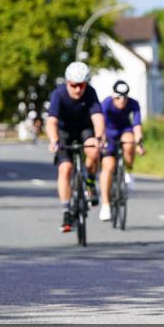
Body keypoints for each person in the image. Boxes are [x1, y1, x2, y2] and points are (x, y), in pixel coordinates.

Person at [46, 61, 106, 232]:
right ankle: (66, 211)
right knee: (65, 169)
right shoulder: (59, 94)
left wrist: (99, 137)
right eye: (74, 85)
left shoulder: (90, 93)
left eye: (82, 85)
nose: (78, 89)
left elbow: (98, 117)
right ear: (67, 83)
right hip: (64, 132)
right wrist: (53, 139)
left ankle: (89, 182)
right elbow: (51, 121)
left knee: (94, 150)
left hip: (84, 129)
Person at [99, 80, 145, 221]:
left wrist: (138, 142)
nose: (122, 100)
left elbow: (137, 125)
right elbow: (100, 125)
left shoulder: (133, 103)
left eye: (125, 97)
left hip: (125, 130)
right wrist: (102, 141)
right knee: (108, 167)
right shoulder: (106, 104)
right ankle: (106, 205)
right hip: (109, 133)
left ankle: (128, 172)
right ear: (113, 96)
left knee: (129, 142)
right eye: (119, 97)